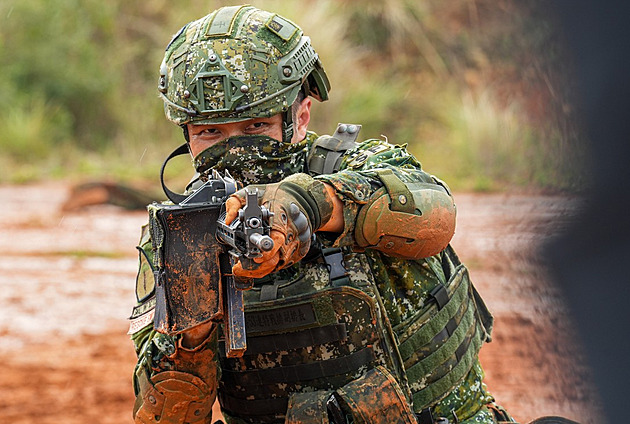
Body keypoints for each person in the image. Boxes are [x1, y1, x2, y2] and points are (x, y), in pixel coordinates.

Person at [128, 5, 516, 424]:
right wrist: (191, 329)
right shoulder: (182, 234)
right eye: (210, 132)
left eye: (256, 127)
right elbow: (166, 416)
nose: (234, 149)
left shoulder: (360, 166)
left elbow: (435, 216)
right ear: (186, 134)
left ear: (301, 115)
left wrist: (309, 205)